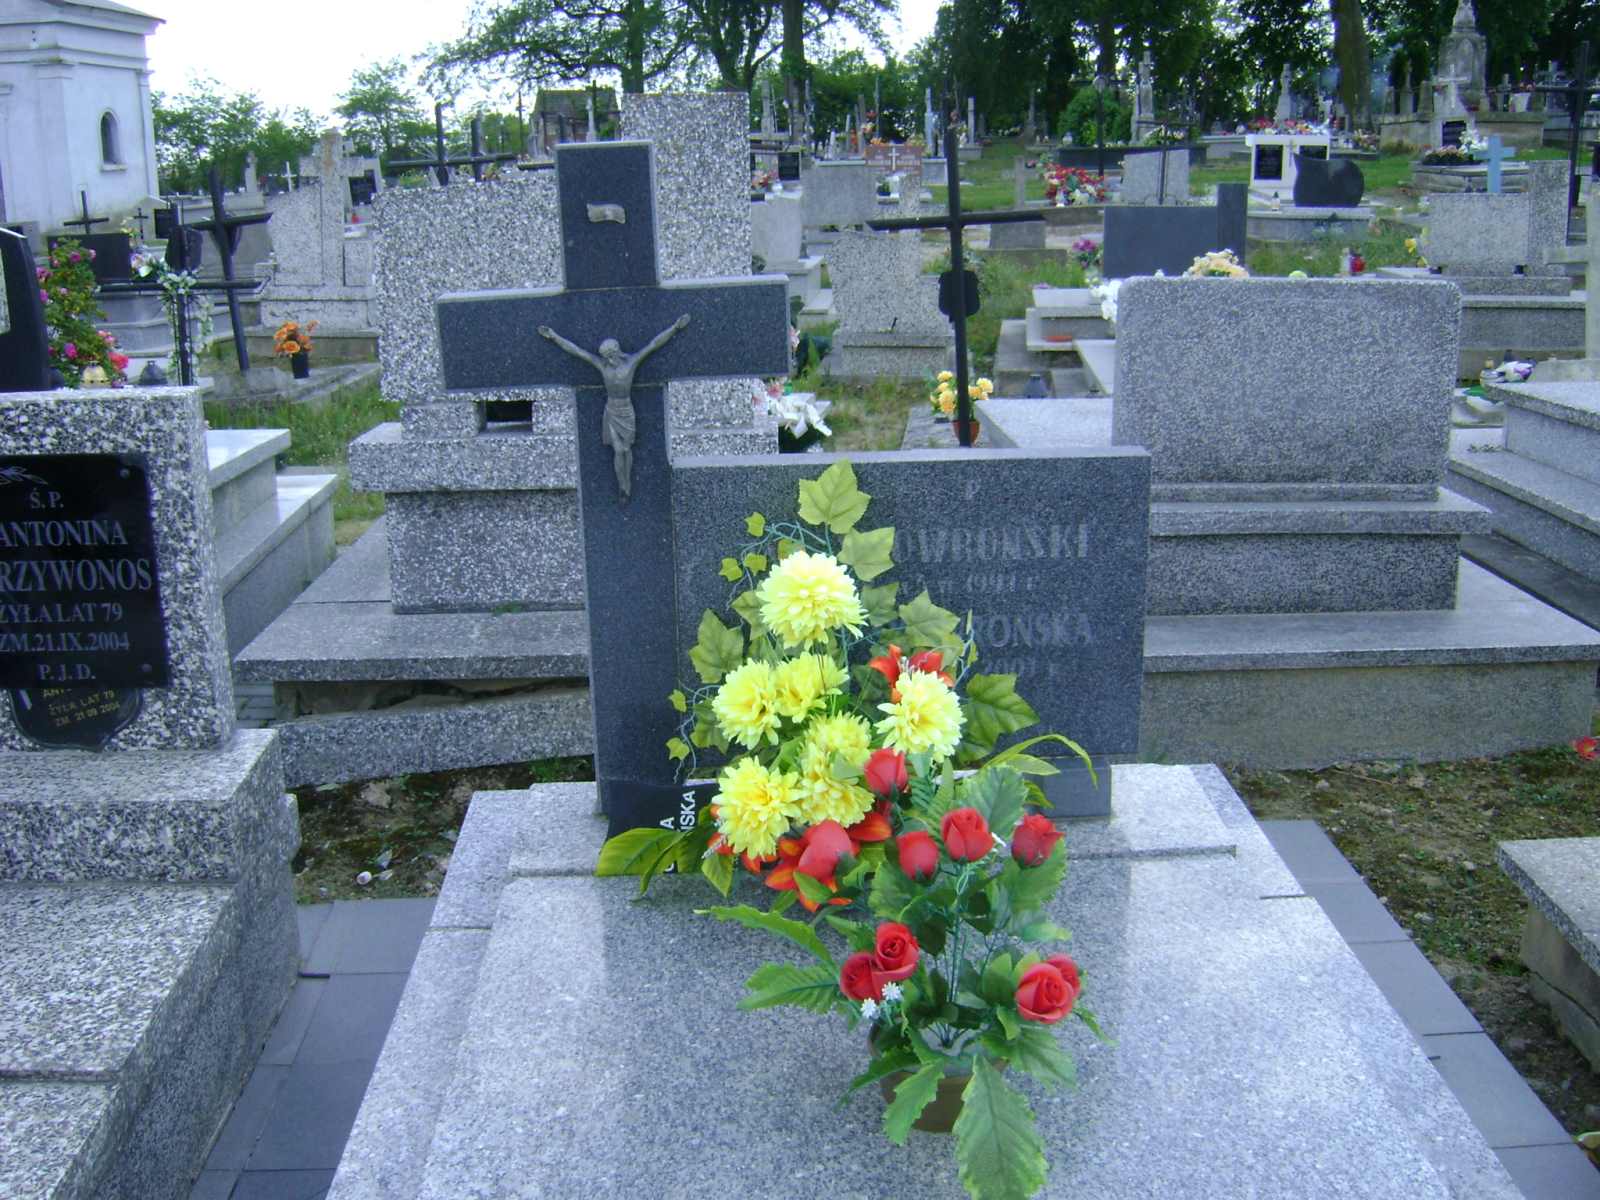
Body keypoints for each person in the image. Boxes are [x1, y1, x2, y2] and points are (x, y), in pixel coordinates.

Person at [536, 314, 691, 498]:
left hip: (626, 409)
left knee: (627, 449)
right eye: (605, 357)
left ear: (616, 351)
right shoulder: (602, 366)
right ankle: (622, 486)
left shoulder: (631, 362)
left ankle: (628, 482)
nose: (608, 359)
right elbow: (577, 351)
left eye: (610, 355)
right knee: (618, 449)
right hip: (611, 409)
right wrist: (554, 336)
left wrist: (675, 327)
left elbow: (653, 345)